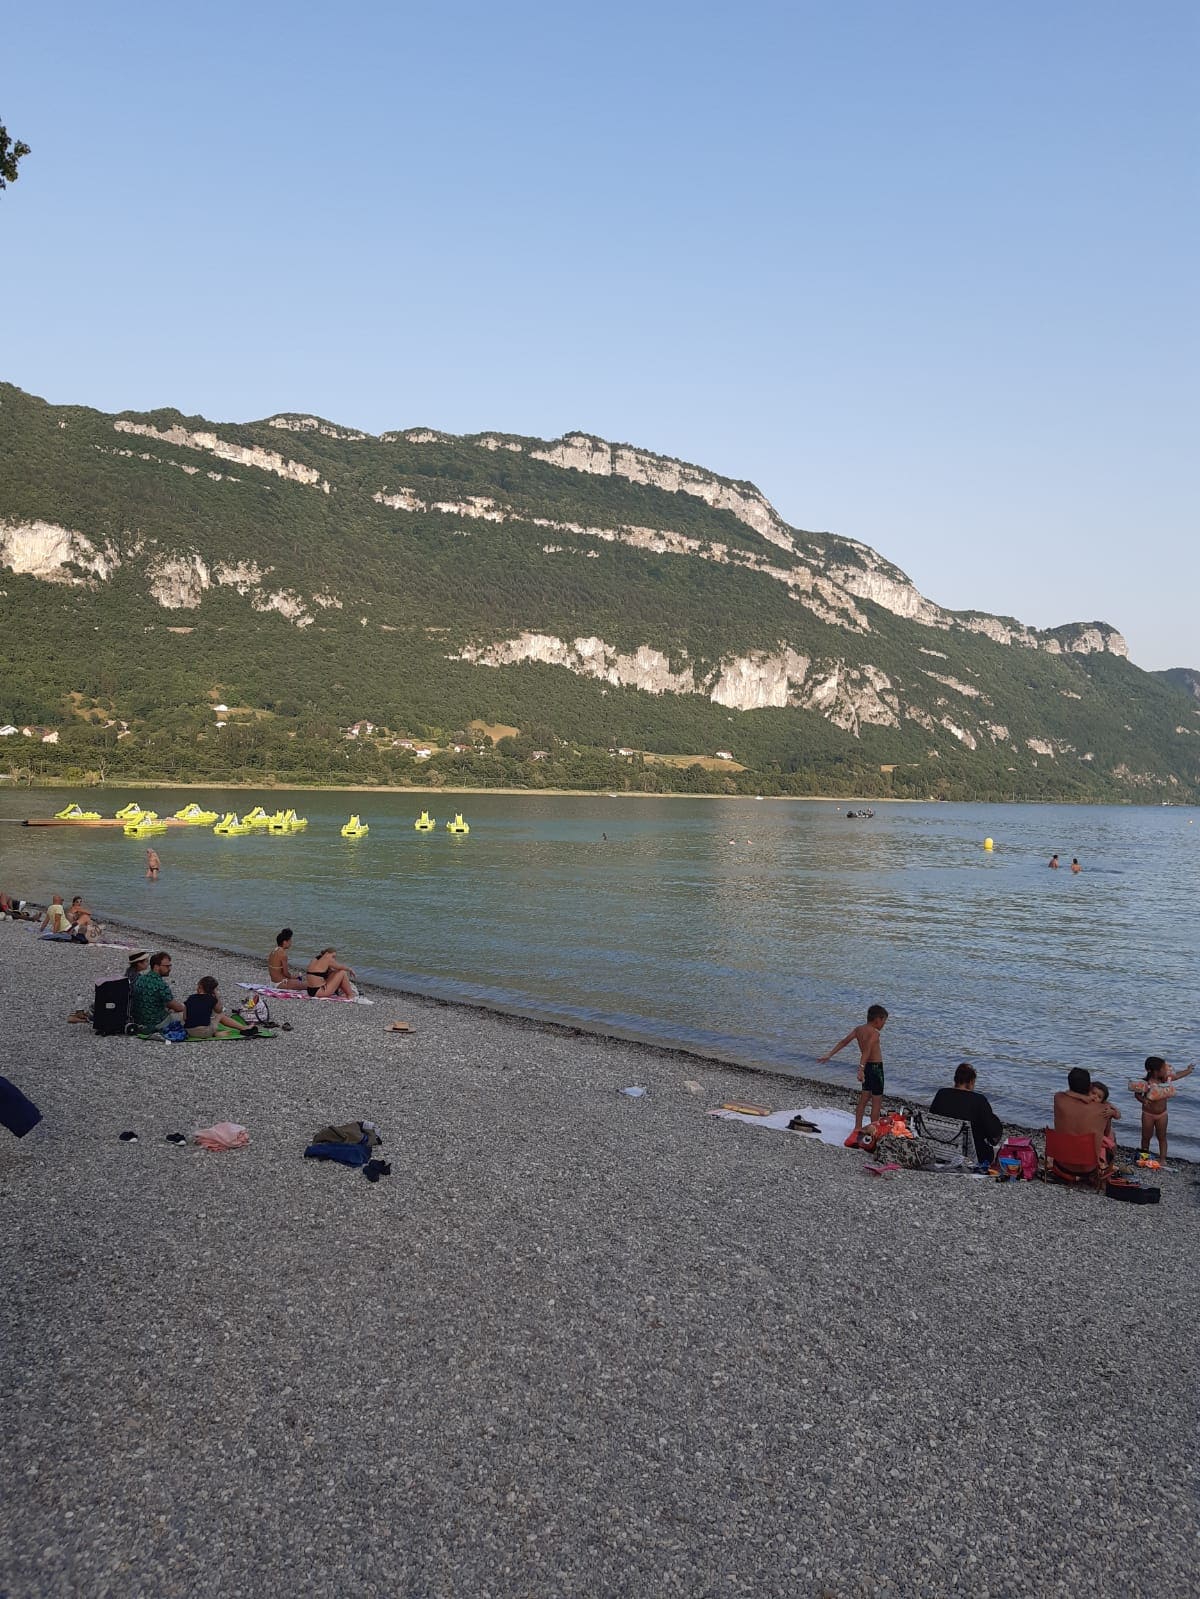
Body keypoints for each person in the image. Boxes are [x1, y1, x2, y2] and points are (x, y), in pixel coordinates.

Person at [818, 1003, 889, 1141]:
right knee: (876, 1101)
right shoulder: (874, 1033)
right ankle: (875, 1130)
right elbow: (868, 1050)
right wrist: (860, 1069)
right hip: (875, 1069)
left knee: (863, 1099)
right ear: (878, 1020)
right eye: (884, 1021)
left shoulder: (859, 1029)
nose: (884, 1025)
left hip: (868, 1068)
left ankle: (857, 1127)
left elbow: (844, 1042)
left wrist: (830, 1054)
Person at [930, 1062, 1004, 1166]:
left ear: (955, 1080)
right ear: (971, 1081)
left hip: (941, 1151)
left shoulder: (941, 1094)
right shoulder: (979, 1100)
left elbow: (932, 1119)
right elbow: (993, 1132)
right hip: (972, 1155)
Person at [1129, 1056, 1194, 1162]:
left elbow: (1177, 1075)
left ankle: (1163, 1159)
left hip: (1162, 1114)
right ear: (1153, 1071)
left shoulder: (1165, 1079)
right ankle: (1144, 1158)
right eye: (1163, 1069)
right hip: (1148, 1114)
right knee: (1146, 1137)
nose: (1166, 1070)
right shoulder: (1145, 1083)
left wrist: (1188, 1070)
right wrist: (1143, 1100)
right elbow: (1137, 1095)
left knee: (1162, 1137)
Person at [1052, 1067, 1109, 1172]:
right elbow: (1106, 1133)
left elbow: (1066, 1092)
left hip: (1062, 1164)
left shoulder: (1058, 1099)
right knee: (1110, 1135)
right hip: (1087, 1168)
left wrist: (1082, 1097)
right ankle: (1104, 1165)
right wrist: (1084, 1098)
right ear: (1089, 1086)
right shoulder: (1103, 1109)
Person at [130, 951, 186, 1033]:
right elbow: (177, 1007)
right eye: (167, 966)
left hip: (138, 1021)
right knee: (185, 1014)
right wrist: (187, 1009)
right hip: (155, 1023)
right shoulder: (160, 984)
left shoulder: (140, 979)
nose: (169, 969)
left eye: (170, 966)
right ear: (156, 966)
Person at [184, 976, 255, 1038]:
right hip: (205, 1033)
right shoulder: (211, 999)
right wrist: (216, 995)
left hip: (189, 1031)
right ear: (213, 990)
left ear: (200, 987)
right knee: (220, 1015)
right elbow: (219, 1010)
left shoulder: (191, 998)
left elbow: (185, 1017)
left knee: (204, 1019)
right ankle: (242, 1028)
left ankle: (215, 1033)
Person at [1089, 1081, 1120, 1164]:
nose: (1095, 1097)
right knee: (1103, 1143)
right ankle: (1102, 1162)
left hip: (1102, 1132)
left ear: (1103, 1100)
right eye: (1093, 1093)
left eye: (1099, 1097)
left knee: (1111, 1134)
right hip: (1092, 1133)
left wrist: (1113, 1112)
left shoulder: (1104, 1106)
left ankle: (1109, 1159)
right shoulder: (1085, 1104)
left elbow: (1118, 1116)